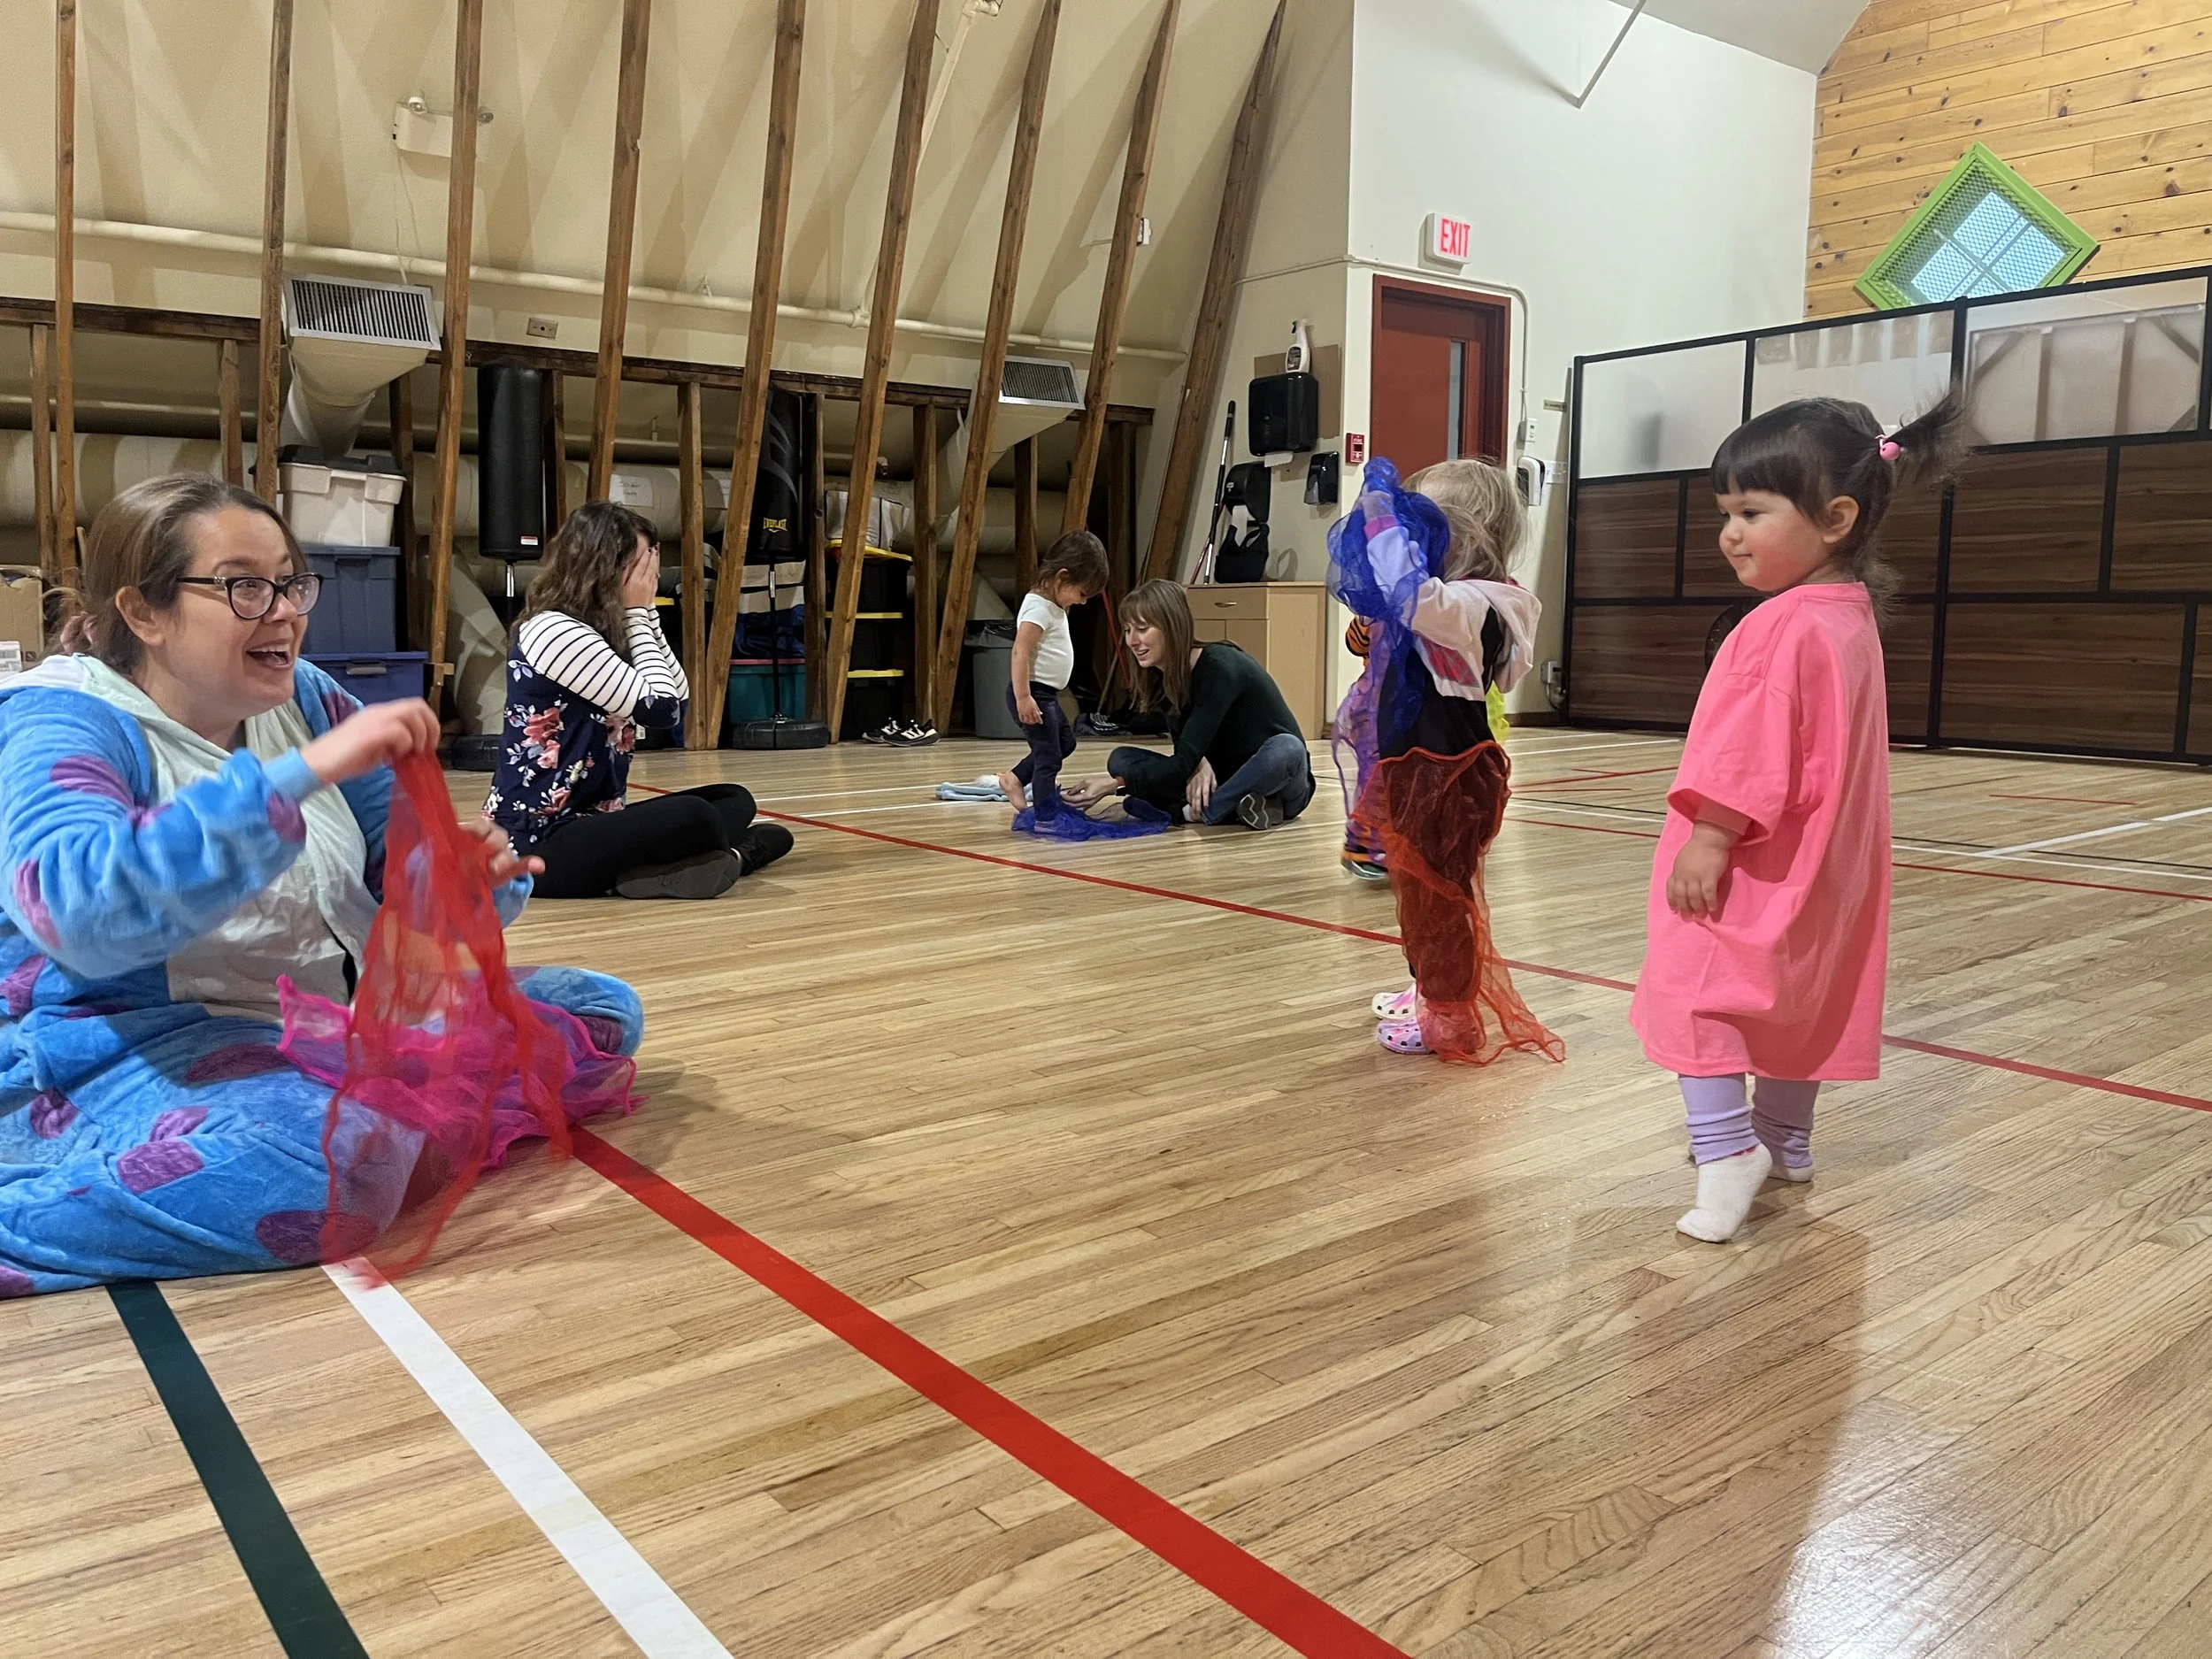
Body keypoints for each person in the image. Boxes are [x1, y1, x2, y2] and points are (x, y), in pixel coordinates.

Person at [0, 473, 642, 1295]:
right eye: (244, 585)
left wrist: (458, 879)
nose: (285, 611)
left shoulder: (304, 695)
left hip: (320, 1013)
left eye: (291, 581)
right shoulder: (64, 718)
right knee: (321, 1164)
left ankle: (363, 1123)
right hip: (120, 1043)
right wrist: (293, 782)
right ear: (143, 612)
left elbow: (395, 865)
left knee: (600, 1011)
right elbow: (79, 914)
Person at [1634, 393, 1965, 1243]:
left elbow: (1747, 749)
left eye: (1751, 511)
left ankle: (1727, 1149)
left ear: (1835, 518)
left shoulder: (1776, 627)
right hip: (1824, 862)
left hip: (1750, 853)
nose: (1731, 533)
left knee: (1695, 997)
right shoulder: (1847, 618)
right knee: (1795, 1001)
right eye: (1725, 514)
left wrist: (1709, 836)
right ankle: (1785, 1139)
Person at [1333, 457, 1561, 1064]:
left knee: (1440, 899)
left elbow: (1415, 597)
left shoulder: (1471, 604)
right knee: (1423, 894)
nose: (1410, 535)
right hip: (1425, 769)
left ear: (1461, 534)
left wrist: (1380, 517)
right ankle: (1430, 990)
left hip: (1444, 774)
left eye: (1421, 522)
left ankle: (1450, 1016)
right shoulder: (1472, 602)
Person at [485, 501, 793, 900]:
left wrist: (646, 614)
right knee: (696, 818)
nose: (651, 576)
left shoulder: (604, 631)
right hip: (536, 842)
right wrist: (638, 611)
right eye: (641, 564)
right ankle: (735, 858)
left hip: (593, 819)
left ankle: (663, 868)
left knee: (733, 800)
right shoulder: (553, 630)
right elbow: (660, 710)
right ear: (603, 565)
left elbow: (678, 700)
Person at [1063, 580, 1314, 830]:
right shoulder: (1161, 676)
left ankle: (1188, 812)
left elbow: (1183, 760)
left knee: (1288, 748)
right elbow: (1186, 749)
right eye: (1128, 630)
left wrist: (1113, 785)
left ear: (1172, 627)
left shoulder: (1219, 667)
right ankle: (1244, 807)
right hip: (1220, 776)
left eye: (1142, 629)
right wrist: (1199, 763)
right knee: (1121, 758)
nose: (1132, 641)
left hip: (1279, 780)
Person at [995, 531, 1110, 818]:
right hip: (1034, 693)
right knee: (1048, 756)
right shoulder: (1037, 608)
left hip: (1046, 694)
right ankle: (1046, 816)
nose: (1083, 602)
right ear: (1062, 577)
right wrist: (1024, 697)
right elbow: (1020, 652)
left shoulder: (1054, 605)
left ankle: (1015, 778)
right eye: (1082, 593)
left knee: (1065, 744)